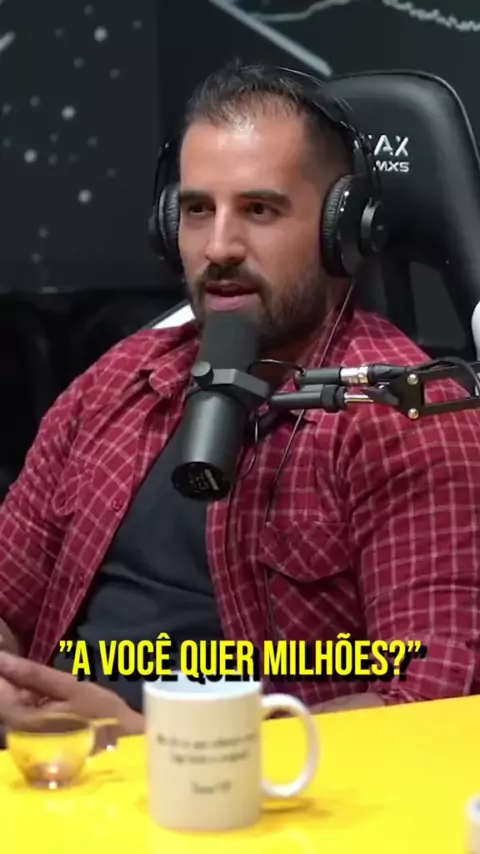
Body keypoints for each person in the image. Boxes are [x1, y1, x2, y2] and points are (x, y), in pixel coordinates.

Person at [0, 60, 480, 736]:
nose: (220, 246)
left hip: (248, 793)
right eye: (198, 210)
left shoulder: (405, 416)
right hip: (55, 775)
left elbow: (432, 706)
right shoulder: (117, 383)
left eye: (259, 210)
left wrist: (165, 745)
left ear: (341, 232)